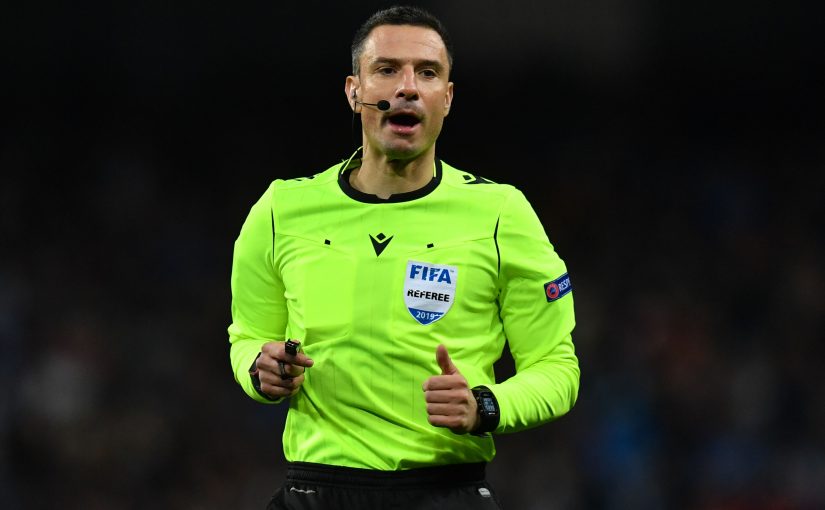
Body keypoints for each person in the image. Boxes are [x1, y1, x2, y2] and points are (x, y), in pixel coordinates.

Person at [227, 5, 579, 509]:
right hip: (316, 491)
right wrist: (260, 370)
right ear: (354, 92)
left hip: (445, 492)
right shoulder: (281, 210)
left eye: (427, 73)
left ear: (447, 98)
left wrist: (486, 404)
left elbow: (557, 368)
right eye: (387, 69)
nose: (408, 87)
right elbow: (247, 338)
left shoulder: (502, 214)